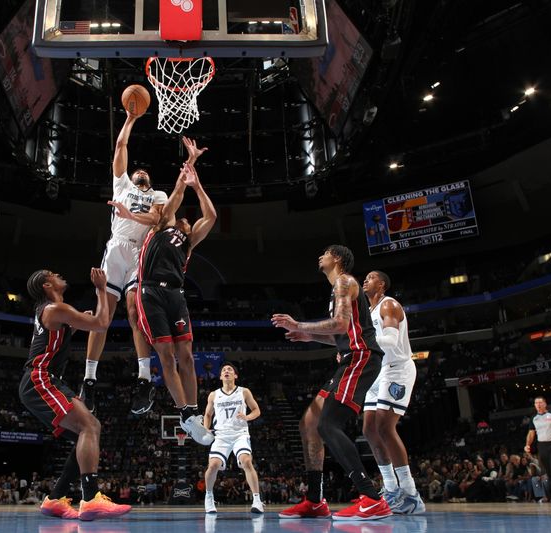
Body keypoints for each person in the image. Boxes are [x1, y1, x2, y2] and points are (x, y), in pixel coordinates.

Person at [81, 109, 206, 416]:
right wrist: (130, 117)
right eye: (136, 171)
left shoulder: (158, 195)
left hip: (141, 254)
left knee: (137, 313)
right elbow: (121, 147)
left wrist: (189, 164)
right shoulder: (121, 186)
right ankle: (89, 379)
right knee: (103, 316)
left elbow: (159, 218)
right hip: (116, 250)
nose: (139, 172)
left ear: (149, 180)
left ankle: (142, 378)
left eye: (144, 173)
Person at [272, 245, 391, 520]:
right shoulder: (338, 287)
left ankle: (372, 498)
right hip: (351, 356)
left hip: (361, 358)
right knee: (309, 424)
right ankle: (315, 500)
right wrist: (310, 337)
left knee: (328, 424)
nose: (319, 256)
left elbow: (339, 323)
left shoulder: (344, 281)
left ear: (336, 258)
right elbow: (342, 333)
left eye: (324, 252)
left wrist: (299, 325)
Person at [22, 268, 130, 521]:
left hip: (44, 380)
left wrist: (74, 326)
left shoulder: (51, 313)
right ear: (47, 286)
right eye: (52, 274)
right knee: (90, 426)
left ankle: (56, 498)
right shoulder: (54, 308)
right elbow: (102, 324)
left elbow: (54, 340)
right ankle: (91, 499)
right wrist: (102, 289)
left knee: (87, 434)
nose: (59, 274)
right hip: (41, 379)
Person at [129, 162, 216, 445]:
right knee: (166, 356)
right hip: (151, 291)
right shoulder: (161, 225)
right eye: (184, 219)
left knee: (187, 357)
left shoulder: (188, 242)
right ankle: (185, 413)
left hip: (176, 295)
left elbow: (211, 216)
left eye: (189, 222)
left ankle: (191, 415)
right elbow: (175, 198)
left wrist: (198, 185)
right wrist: (186, 172)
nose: (187, 221)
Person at [360, 270, 425, 514]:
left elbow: (389, 340)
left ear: (382, 284)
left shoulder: (389, 305)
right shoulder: (367, 313)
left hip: (397, 369)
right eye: (364, 277)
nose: (365, 279)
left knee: (385, 427)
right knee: (368, 429)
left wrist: (360, 343)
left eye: (371, 277)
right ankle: (391, 488)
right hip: (377, 372)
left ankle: (410, 494)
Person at [202, 363, 264, 514]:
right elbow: (208, 414)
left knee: (246, 461)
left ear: (235, 376)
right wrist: (205, 429)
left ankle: (257, 500)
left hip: (240, 433)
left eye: (230, 369)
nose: (226, 371)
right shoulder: (214, 395)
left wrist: (247, 417)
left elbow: (257, 410)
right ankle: (209, 497)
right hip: (221, 435)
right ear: (221, 376)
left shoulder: (244, 392)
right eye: (224, 370)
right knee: (213, 466)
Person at [524, 396, 551, 504]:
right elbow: (531, 433)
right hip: (541, 446)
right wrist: (527, 444)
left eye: (540, 402)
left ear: (545, 404)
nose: (538, 404)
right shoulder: (534, 418)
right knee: (547, 471)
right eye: (536, 403)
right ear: (534, 405)